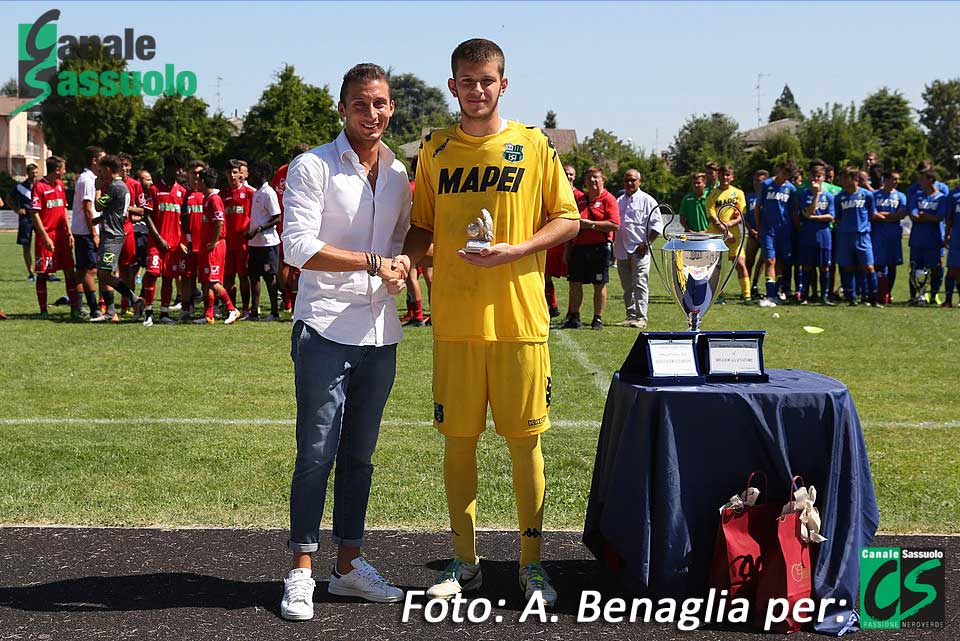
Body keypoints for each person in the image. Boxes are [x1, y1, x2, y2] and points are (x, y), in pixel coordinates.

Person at [402, 38, 580, 607]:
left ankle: (532, 563)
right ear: (452, 86)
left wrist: (517, 249)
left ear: (503, 84)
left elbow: (569, 219)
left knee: (525, 444)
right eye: (466, 81)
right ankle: (464, 560)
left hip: (520, 319)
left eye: (487, 80)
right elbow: (422, 227)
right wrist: (409, 259)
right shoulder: (433, 149)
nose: (477, 90)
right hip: (455, 320)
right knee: (458, 442)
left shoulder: (533, 146)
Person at [279, 63, 410, 621]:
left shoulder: (401, 173)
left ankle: (349, 567)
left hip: (381, 332)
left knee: (359, 458)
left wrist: (407, 263)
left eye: (380, 103)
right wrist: (374, 262)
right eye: (361, 104)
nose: (372, 113)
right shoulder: (313, 166)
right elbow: (298, 247)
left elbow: (406, 243)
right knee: (316, 453)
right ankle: (302, 568)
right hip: (325, 326)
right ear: (343, 109)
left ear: (391, 107)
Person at [88, 155, 145, 322]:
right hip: (112, 232)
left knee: (105, 274)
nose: (99, 173)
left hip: (112, 236)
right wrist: (100, 220)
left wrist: (97, 188)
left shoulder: (115, 187)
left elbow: (98, 205)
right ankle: (111, 311)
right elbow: (115, 210)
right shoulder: (119, 186)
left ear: (107, 169)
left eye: (101, 169)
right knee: (103, 272)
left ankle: (134, 300)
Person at [563, 166, 619, 330]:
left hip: (599, 248)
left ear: (603, 180)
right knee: (574, 283)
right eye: (589, 178)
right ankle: (574, 316)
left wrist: (591, 225)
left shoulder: (609, 199)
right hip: (578, 247)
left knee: (599, 284)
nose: (592, 181)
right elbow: (571, 224)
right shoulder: (580, 199)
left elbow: (615, 225)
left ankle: (597, 318)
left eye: (596, 177)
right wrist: (567, 249)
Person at [31, 156, 80, 320]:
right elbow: (35, 214)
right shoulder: (39, 186)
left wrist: (69, 232)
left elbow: (64, 210)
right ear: (57, 170)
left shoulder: (60, 185)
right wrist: (44, 237)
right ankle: (43, 310)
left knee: (69, 272)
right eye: (64, 168)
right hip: (47, 237)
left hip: (62, 237)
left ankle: (74, 308)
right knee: (43, 273)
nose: (65, 171)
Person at [141, 154, 187, 325]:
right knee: (152, 274)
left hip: (174, 245)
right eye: (178, 168)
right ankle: (148, 313)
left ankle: (164, 313)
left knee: (168, 278)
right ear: (168, 167)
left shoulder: (182, 192)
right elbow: (147, 216)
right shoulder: (154, 189)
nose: (180, 172)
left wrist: (182, 241)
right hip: (156, 242)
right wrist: (159, 238)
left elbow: (185, 221)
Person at [192, 167, 240, 325]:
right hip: (207, 245)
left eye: (198, 180)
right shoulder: (206, 198)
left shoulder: (214, 199)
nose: (196, 182)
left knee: (213, 281)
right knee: (206, 281)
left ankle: (232, 309)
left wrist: (213, 241)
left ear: (204, 182)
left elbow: (220, 222)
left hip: (215, 246)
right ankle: (209, 314)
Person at [614, 169, 661, 328]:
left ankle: (641, 318)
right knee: (626, 285)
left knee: (640, 284)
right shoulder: (619, 201)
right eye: (626, 180)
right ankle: (630, 315)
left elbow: (656, 226)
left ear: (639, 181)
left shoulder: (648, 201)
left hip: (640, 250)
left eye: (633, 180)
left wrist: (646, 243)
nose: (629, 183)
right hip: (621, 249)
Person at [271, 144, 311, 313]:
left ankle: (288, 300)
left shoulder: (282, 171)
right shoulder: (304, 171)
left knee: (287, 264)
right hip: (294, 223)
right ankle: (292, 301)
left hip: (285, 224)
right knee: (296, 264)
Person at [835, 167, 879, 306]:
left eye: (844, 177)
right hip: (845, 236)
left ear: (854, 179)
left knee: (869, 267)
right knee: (848, 267)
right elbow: (838, 218)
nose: (841, 180)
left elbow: (872, 214)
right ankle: (851, 298)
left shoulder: (867, 195)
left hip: (862, 235)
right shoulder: (839, 197)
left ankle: (873, 298)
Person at [756, 160, 797, 307]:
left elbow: (792, 211)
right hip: (768, 230)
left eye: (789, 175)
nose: (785, 177)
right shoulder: (766, 185)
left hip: (785, 231)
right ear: (779, 170)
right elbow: (758, 207)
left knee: (781, 262)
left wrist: (796, 228)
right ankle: (770, 295)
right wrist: (759, 227)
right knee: (770, 261)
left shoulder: (791, 189)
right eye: (784, 173)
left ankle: (777, 290)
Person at [706, 165, 750, 301]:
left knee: (740, 264)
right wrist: (725, 231)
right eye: (722, 175)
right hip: (716, 235)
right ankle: (719, 295)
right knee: (716, 267)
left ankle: (747, 295)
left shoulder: (738, 193)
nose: (725, 177)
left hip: (734, 235)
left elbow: (741, 214)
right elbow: (712, 217)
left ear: (732, 177)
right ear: (718, 176)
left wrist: (729, 225)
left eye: (728, 175)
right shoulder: (712, 194)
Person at [245, 159, 282, 320]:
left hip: (268, 243)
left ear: (261, 173)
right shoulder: (257, 192)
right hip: (254, 243)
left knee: (269, 277)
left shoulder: (269, 193)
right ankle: (254, 311)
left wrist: (259, 229)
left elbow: (277, 217)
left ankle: (274, 312)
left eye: (254, 171)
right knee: (254, 277)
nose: (252, 175)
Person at [794, 165, 835, 305]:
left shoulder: (830, 196)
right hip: (808, 234)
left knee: (824, 266)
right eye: (813, 176)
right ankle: (806, 295)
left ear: (823, 178)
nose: (816, 179)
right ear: (809, 178)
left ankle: (824, 296)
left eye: (819, 176)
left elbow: (831, 217)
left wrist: (814, 218)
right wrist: (816, 195)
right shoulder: (804, 194)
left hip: (824, 235)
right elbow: (808, 212)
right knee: (807, 266)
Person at [907, 170, 948, 305]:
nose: (920, 182)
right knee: (915, 269)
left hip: (934, 240)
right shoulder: (917, 196)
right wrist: (927, 217)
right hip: (917, 239)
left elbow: (939, 217)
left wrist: (925, 216)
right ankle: (916, 296)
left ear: (930, 180)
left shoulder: (941, 198)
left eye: (922, 179)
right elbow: (913, 215)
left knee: (936, 269)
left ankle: (934, 295)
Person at [72, 146, 104, 318]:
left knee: (82, 270)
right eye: (102, 159)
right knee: (90, 270)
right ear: (94, 160)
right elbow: (87, 208)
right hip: (86, 232)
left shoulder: (91, 179)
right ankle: (94, 309)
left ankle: (77, 306)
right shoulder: (87, 180)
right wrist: (94, 233)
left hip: (83, 231)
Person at [544, 164, 579, 318]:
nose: (568, 176)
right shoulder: (550, 192)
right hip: (551, 243)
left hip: (569, 244)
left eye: (571, 174)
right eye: (565, 173)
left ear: (575, 177)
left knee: (574, 281)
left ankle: (573, 313)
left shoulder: (579, 196)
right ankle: (552, 306)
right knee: (546, 277)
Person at [871, 171, 908, 305]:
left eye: (898, 179)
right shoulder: (875, 195)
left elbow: (901, 214)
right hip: (877, 234)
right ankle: (876, 292)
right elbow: (872, 213)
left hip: (893, 235)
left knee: (892, 264)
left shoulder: (901, 196)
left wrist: (884, 215)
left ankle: (888, 293)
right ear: (885, 180)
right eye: (894, 179)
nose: (896, 182)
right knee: (878, 264)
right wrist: (890, 215)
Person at [178, 160, 207, 321]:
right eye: (194, 173)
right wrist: (181, 241)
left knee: (206, 279)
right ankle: (186, 308)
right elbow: (178, 221)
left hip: (204, 245)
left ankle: (210, 308)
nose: (197, 176)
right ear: (188, 174)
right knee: (187, 277)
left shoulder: (209, 194)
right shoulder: (183, 194)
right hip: (187, 245)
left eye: (200, 173)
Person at [12, 163, 40, 281]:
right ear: (27, 173)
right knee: (26, 246)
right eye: (32, 172)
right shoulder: (20, 187)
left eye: (36, 172)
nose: (35, 175)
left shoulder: (41, 185)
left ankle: (46, 272)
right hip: (26, 219)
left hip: (39, 217)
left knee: (43, 244)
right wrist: (17, 209)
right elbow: (8, 199)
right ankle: (31, 273)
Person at [744, 169, 767, 299]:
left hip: (765, 234)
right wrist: (750, 229)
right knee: (749, 261)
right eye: (756, 180)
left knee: (762, 262)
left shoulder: (768, 197)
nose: (758, 183)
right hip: (753, 233)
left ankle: (754, 285)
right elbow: (744, 216)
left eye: (761, 181)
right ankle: (746, 287)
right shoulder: (749, 197)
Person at [944, 188, 960, 307]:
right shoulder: (954, 195)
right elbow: (949, 217)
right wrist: (947, 234)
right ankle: (948, 300)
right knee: (953, 268)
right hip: (957, 237)